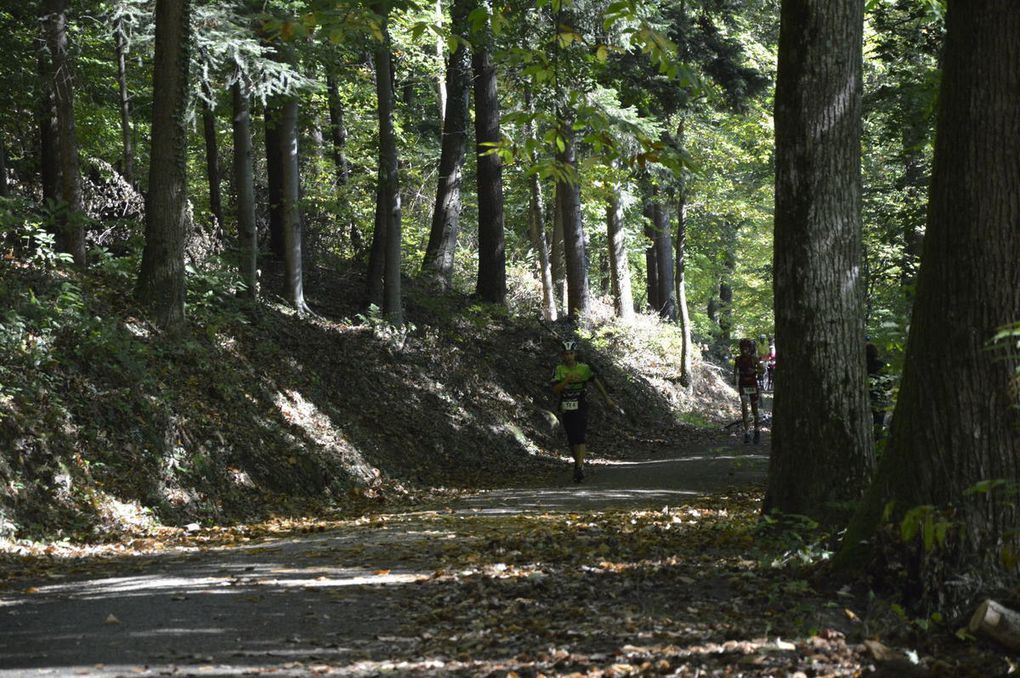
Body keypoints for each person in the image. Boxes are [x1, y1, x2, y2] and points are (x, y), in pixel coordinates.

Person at [551, 340, 616, 482]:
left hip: (581, 404)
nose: (568, 357)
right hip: (566, 405)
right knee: (572, 438)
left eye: (571, 354)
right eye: (566, 354)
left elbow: (596, 382)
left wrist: (607, 399)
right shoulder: (559, 369)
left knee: (580, 435)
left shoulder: (584, 368)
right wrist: (567, 380)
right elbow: (555, 390)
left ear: (575, 354)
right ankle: (577, 464)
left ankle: (580, 467)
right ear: (562, 355)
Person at [733, 337, 762, 444]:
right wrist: (734, 380)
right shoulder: (738, 359)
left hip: (753, 385)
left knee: (754, 409)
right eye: (742, 348)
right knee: (744, 408)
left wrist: (754, 370)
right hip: (743, 386)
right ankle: (747, 433)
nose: (744, 350)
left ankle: (757, 431)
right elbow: (735, 372)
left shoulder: (754, 359)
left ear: (750, 349)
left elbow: (762, 369)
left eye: (746, 348)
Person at [866, 340, 889, 440]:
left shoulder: (863, 365)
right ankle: (878, 440)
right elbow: (888, 384)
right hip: (880, 399)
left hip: (869, 397)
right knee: (878, 423)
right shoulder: (881, 365)